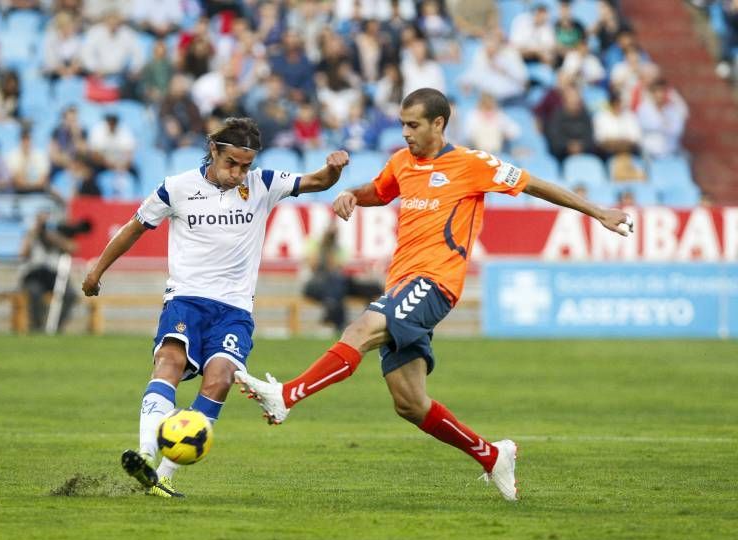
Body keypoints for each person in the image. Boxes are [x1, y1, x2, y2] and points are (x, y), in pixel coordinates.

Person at [234, 89, 633, 502]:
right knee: (409, 403)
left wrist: (599, 211)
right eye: (402, 124)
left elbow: (535, 185)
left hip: (435, 282)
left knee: (363, 326)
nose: (405, 132)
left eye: (413, 125)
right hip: (402, 283)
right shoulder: (402, 162)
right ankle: (493, 455)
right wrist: (353, 193)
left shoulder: (472, 164)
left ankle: (287, 395)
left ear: (438, 123)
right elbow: (380, 189)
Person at [80, 117, 349, 498]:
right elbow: (134, 227)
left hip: (235, 309)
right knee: (169, 363)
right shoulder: (176, 189)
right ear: (214, 151)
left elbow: (318, 181)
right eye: (232, 164)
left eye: (245, 166)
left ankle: (165, 476)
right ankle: (143, 455)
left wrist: (334, 168)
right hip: (186, 299)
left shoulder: (264, 184)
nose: (239, 174)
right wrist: (96, 270)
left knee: (221, 379)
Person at [303, 221, 383, 334]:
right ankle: (337, 319)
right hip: (316, 285)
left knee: (373, 289)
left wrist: (331, 248)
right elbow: (313, 265)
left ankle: (361, 322)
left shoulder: (339, 248)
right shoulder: (314, 243)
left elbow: (336, 268)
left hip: (337, 286)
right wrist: (325, 246)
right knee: (335, 287)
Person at [19, 211, 82, 333]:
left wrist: (56, 239)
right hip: (35, 275)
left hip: (54, 276)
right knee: (34, 293)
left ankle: (57, 326)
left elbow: (74, 248)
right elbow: (23, 254)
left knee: (70, 295)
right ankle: (37, 327)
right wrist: (32, 236)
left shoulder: (57, 236)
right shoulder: (31, 235)